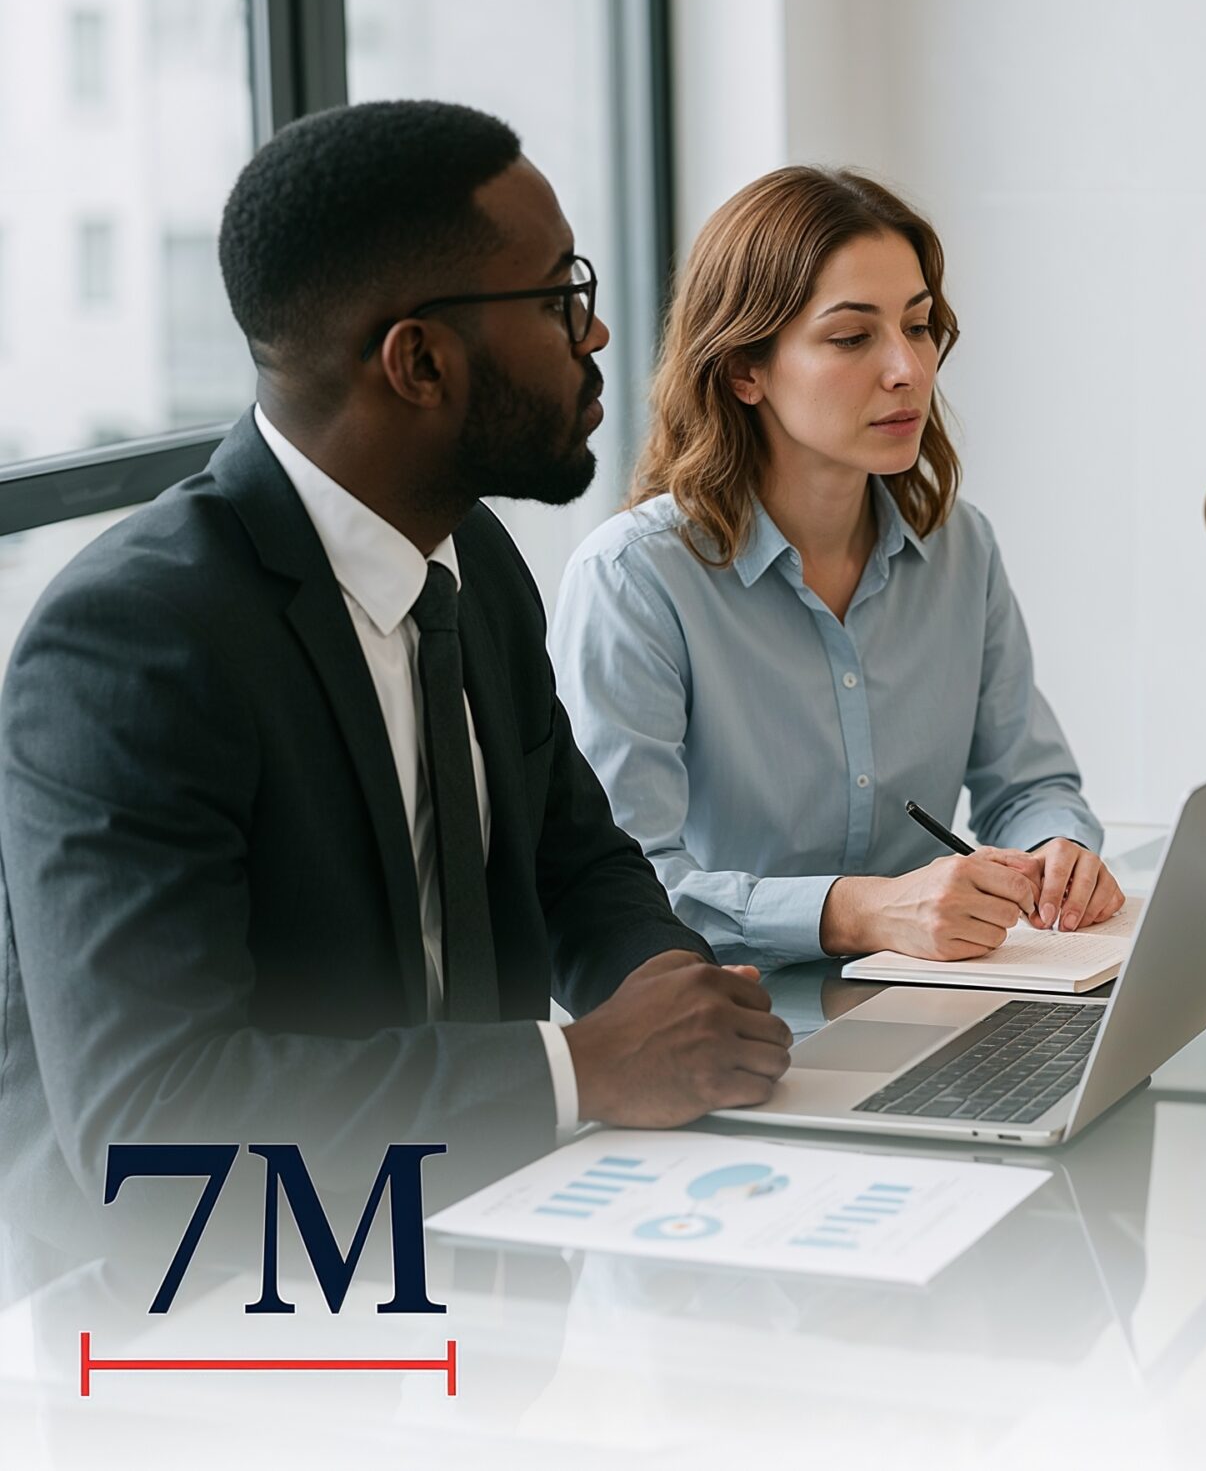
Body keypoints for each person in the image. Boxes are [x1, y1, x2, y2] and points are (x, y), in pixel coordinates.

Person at [0, 100, 793, 1218]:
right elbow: (155, 1120)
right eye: (563, 294)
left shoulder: (469, 554)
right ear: (418, 361)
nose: (596, 334)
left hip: (485, 1235)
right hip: (216, 1318)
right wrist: (584, 1067)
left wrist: (668, 990)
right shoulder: (133, 646)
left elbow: (576, 863)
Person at [551, 167, 1123, 966]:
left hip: (929, 999)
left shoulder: (962, 550)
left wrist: (1059, 853)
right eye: (853, 338)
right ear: (744, 370)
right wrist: (857, 912)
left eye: (919, 327)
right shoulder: (633, 580)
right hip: (732, 1026)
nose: (907, 369)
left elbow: (1028, 786)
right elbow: (624, 887)